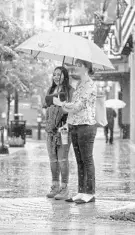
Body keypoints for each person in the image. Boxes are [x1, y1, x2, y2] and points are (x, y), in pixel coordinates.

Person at [54, 59, 97, 204]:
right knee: (79, 161)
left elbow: (78, 106)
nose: (76, 68)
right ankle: (81, 191)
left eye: (79, 66)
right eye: (76, 65)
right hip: (74, 125)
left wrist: (63, 104)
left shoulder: (90, 85)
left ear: (86, 68)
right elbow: (70, 109)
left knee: (87, 160)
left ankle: (90, 193)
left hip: (86, 126)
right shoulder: (79, 85)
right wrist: (66, 116)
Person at [44, 66, 74, 200]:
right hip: (51, 130)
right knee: (53, 160)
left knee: (62, 159)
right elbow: (47, 107)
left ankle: (64, 188)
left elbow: (73, 109)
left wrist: (61, 104)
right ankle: (55, 186)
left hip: (64, 130)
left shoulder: (70, 91)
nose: (56, 77)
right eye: (54, 74)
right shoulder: (51, 90)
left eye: (59, 74)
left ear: (65, 76)